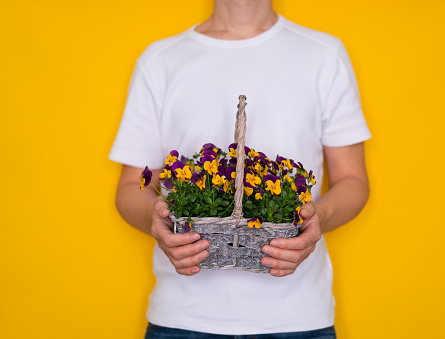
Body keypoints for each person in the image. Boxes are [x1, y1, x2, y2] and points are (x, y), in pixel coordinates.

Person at [109, 0, 371, 338]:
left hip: (297, 320)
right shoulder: (160, 61)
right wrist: (154, 217)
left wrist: (316, 218)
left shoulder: (324, 54)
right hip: (183, 320)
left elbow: (353, 180)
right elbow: (131, 187)